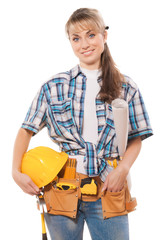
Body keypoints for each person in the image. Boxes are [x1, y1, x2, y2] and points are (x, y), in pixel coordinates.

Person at [12, 8, 153, 240]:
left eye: (91, 35)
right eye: (76, 38)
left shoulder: (126, 87)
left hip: (110, 186)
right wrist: (15, 172)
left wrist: (123, 169)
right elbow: (26, 130)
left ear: (104, 36)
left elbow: (136, 138)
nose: (84, 44)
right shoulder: (54, 86)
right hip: (61, 188)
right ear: (70, 42)